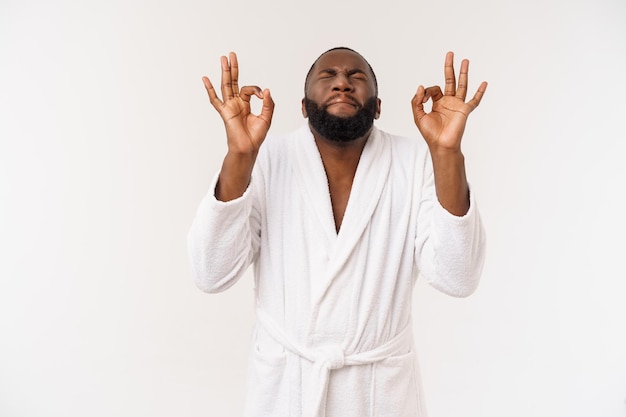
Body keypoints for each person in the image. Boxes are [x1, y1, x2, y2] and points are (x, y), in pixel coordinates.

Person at [188, 47, 487, 417]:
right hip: (287, 391)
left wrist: (447, 153)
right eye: (327, 76)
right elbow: (211, 273)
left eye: (357, 77)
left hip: (380, 394)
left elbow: (457, 277)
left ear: (377, 107)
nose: (343, 83)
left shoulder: (417, 163)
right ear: (302, 105)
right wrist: (238, 156)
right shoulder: (266, 157)